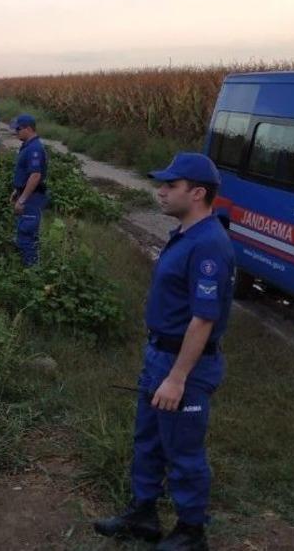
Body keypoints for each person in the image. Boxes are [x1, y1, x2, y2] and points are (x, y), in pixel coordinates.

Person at [93, 153, 234, 551]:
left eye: (171, 186)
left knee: (183, 450)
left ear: (198, 193)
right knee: (149, 440)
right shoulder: (185, 234)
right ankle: (143, 515)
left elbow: (203, 320)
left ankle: (191, 532)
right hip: (160, 355)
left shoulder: (208, 245)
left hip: (184, 365)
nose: (161, 191)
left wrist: (177, 378)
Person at [9, 114, 47, 266]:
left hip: (31, 199)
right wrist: (17, 191)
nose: (16, 132)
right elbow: (25, 173)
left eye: (18, 129)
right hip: (26, 194)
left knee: (27, 236)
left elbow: (35, 175)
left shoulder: (35, 149)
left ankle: (31, 271)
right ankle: (26, 268)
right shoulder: (27, 146)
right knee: (22, 234)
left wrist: (22, 199)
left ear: (28, 129)